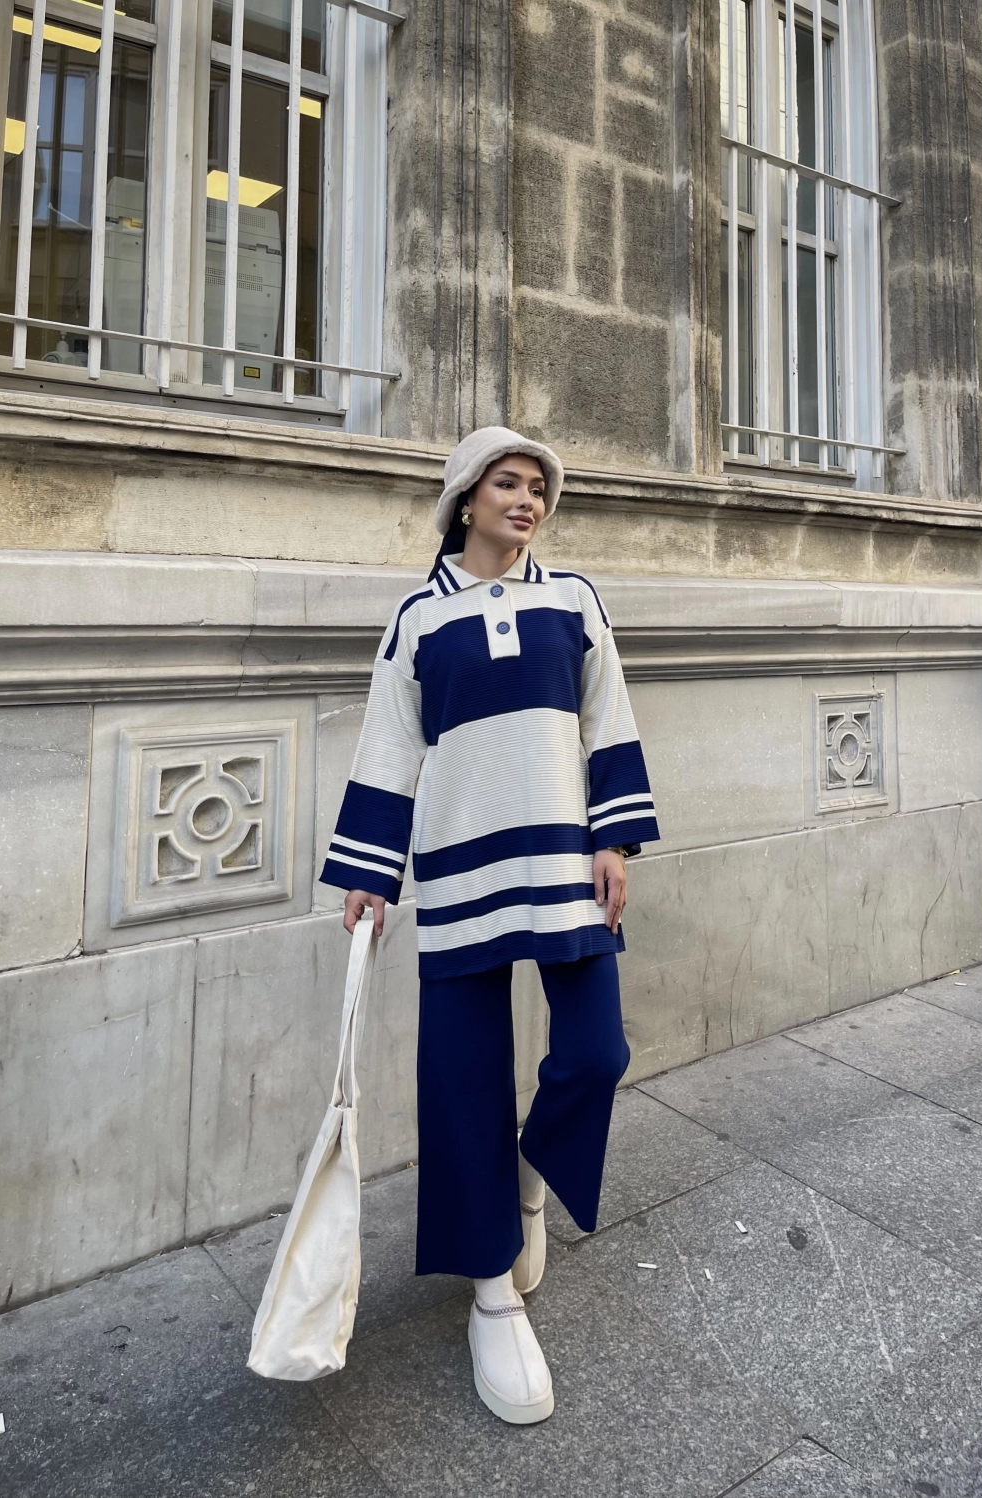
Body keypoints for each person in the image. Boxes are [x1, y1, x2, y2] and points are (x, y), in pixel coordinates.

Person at [320, 426, 659, 1425]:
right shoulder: (419, 618)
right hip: (460, 867)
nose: (527, 500)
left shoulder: (575, 600)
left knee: (596, 1053)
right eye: (507, 484)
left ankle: (527, 1177)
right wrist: (369, 873)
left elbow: (608, 718)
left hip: (565, 863)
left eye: (538, 488)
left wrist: (614, 839)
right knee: (462, 1082)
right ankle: (491, 1292)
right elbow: (389, 745)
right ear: (465, 499)